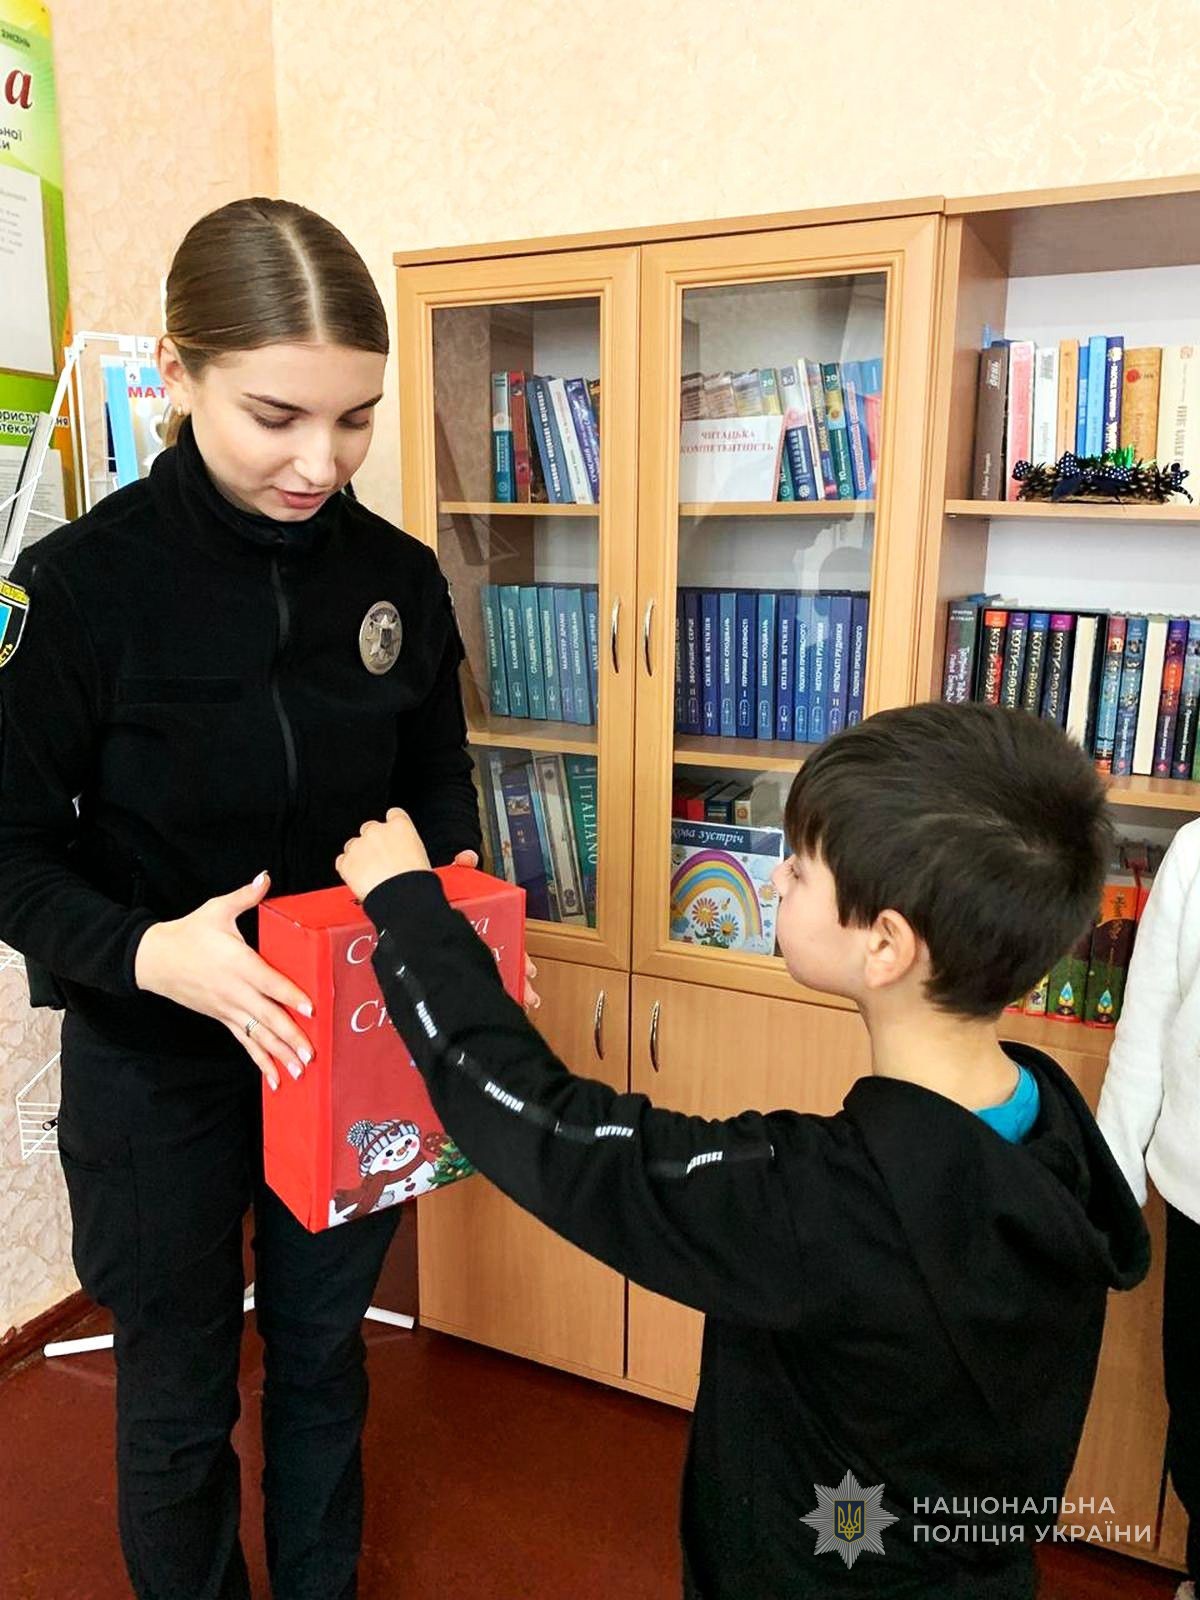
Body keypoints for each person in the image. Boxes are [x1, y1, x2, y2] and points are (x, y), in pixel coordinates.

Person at [334, 701, 1150, 1600]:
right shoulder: (1052, 1127)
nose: (778, 879)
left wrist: (408, 912)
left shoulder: (822, 1204)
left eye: (799, 867)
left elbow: (559, 1138)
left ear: (886, 944)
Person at [0, 197, 497, 1600]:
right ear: (177, 371)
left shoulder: (395, 577)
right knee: (177, 1386)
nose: (318, 462)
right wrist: (150, 952)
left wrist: (442, 910)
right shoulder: (75, 589)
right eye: (276, 416)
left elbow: (439, 791)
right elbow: (12, 848)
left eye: (355, 420)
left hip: (348, 1047)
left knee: (327, 1354)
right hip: (156, 1059)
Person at [1097, 818, 1200, 1600]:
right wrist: (1112, 1177)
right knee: (1195, 1412)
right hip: (1196, 1196)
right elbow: (1144, 1030)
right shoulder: (1194, 854)